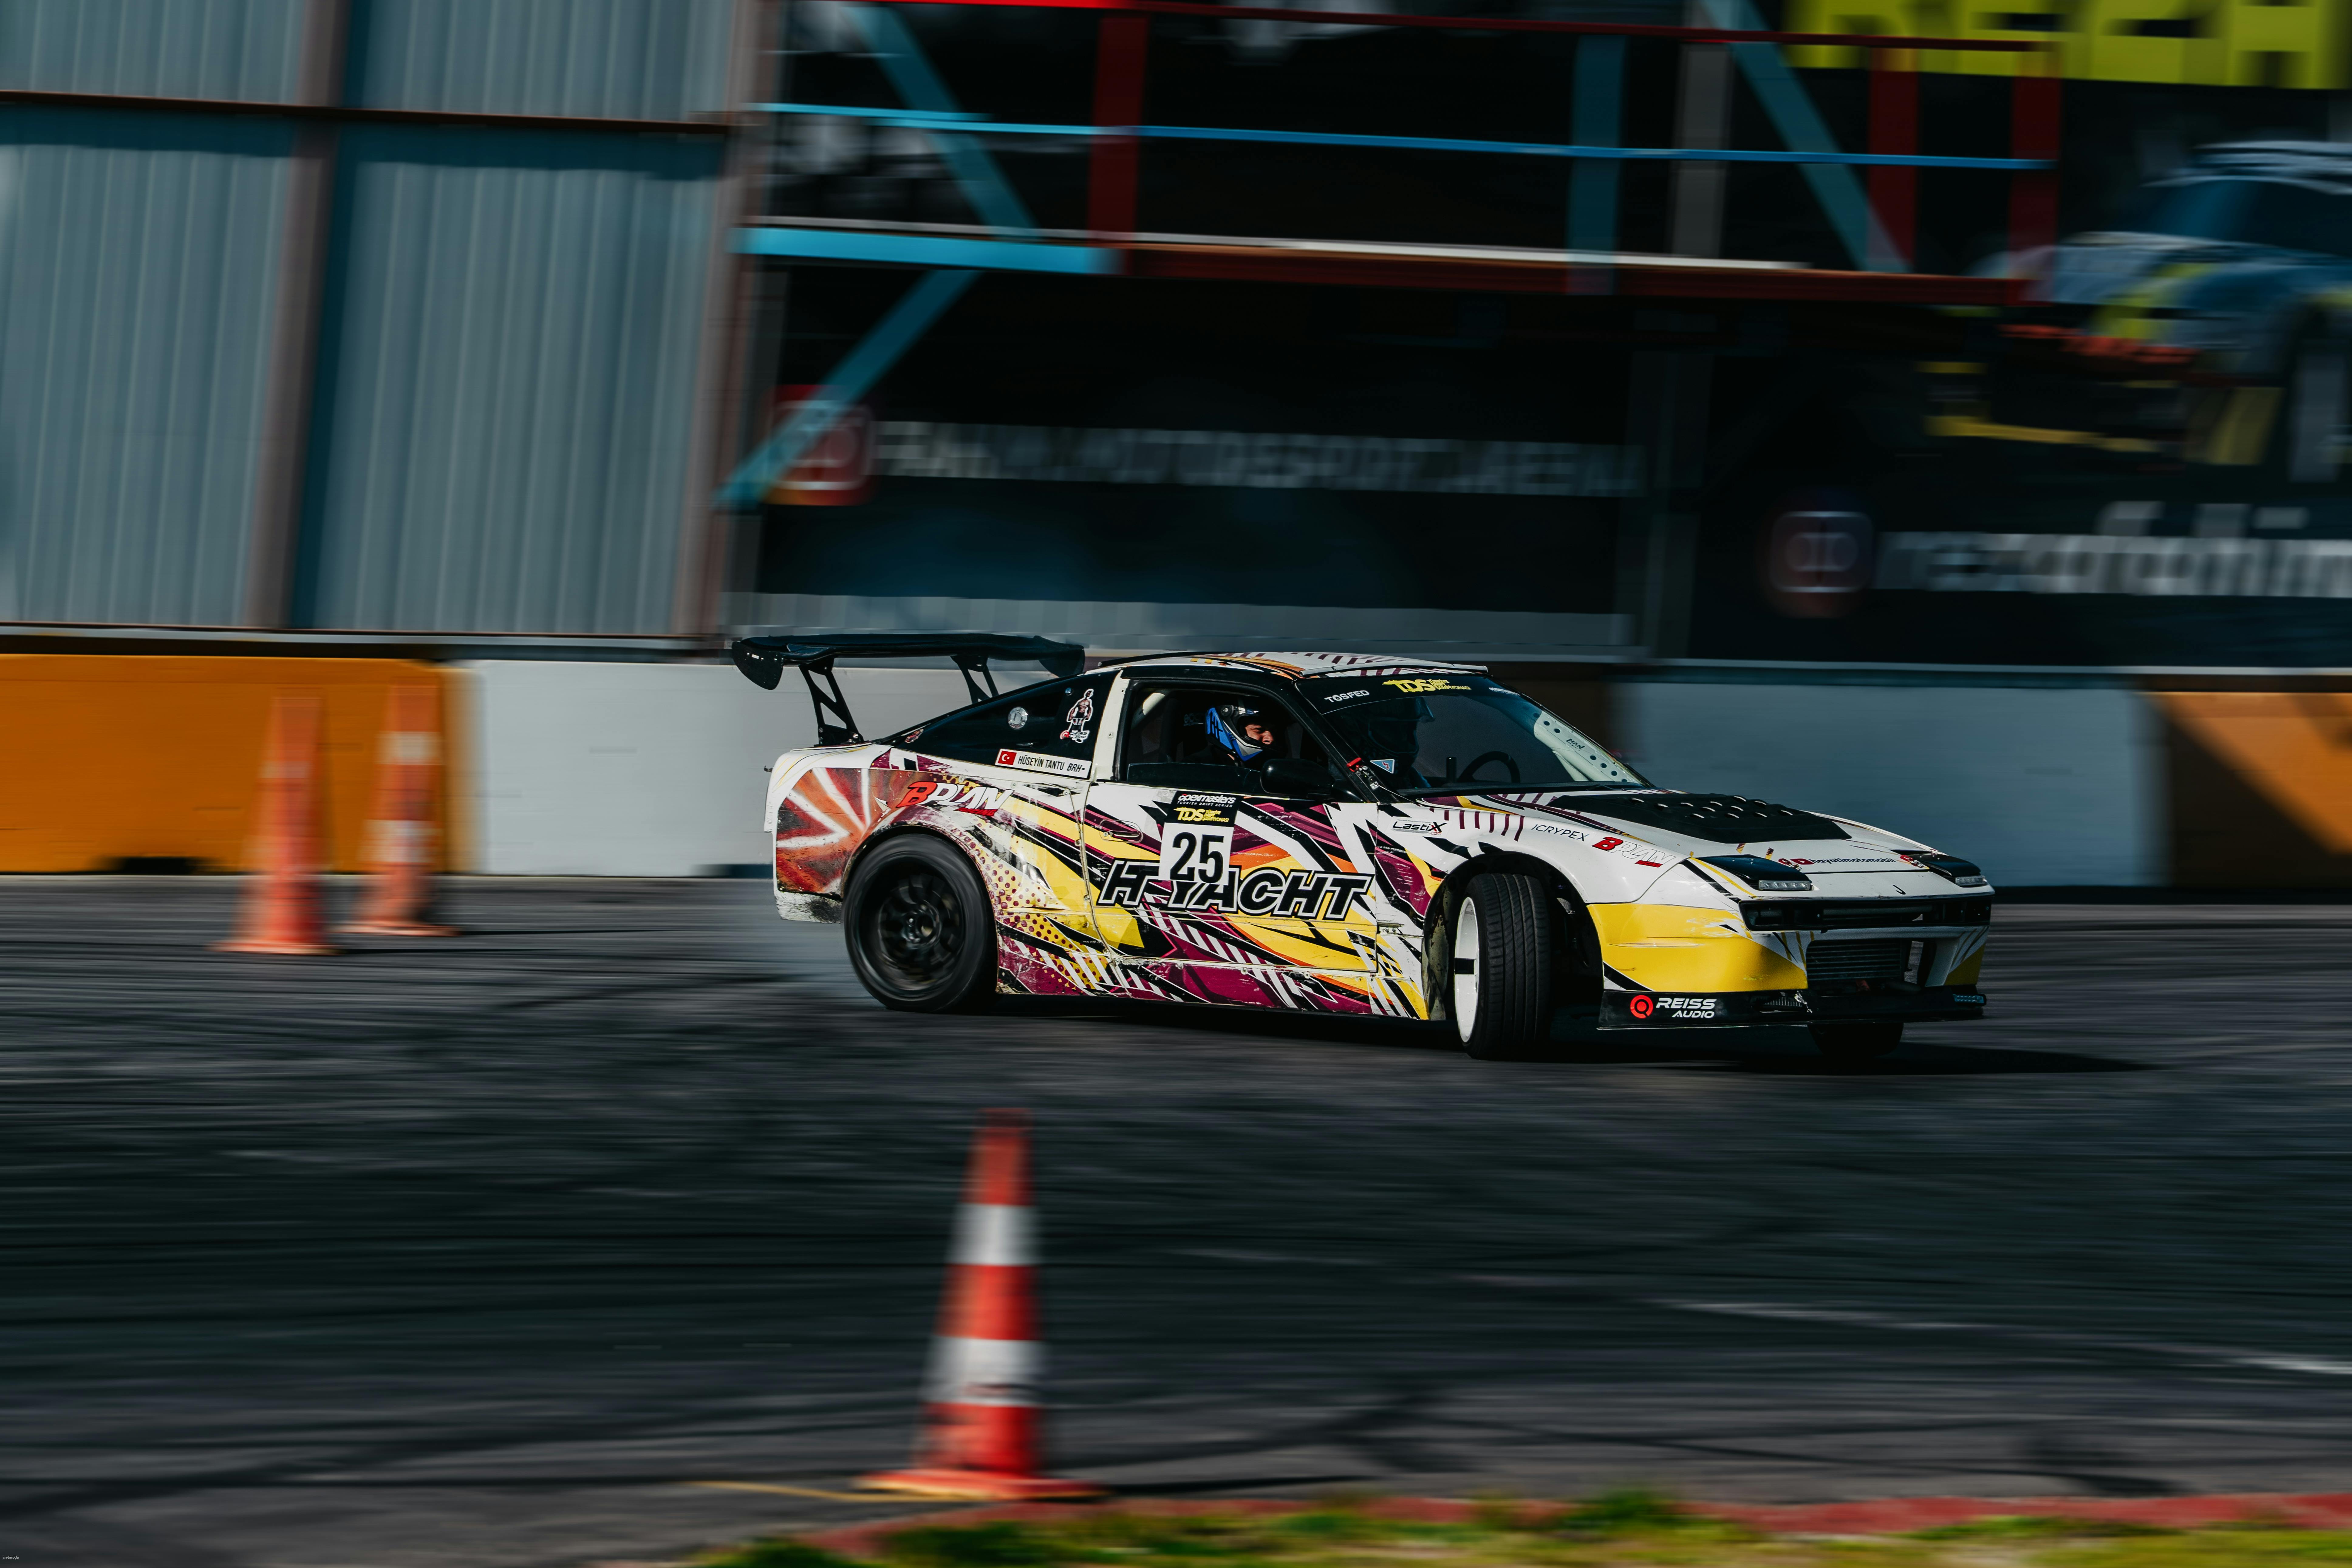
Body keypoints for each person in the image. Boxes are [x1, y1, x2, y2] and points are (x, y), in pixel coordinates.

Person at [1205, 701, 1279, 765]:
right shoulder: (1203, 767)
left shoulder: (1269, 764)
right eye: (1259, 730)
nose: (1271, 739)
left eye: (1274, 731)